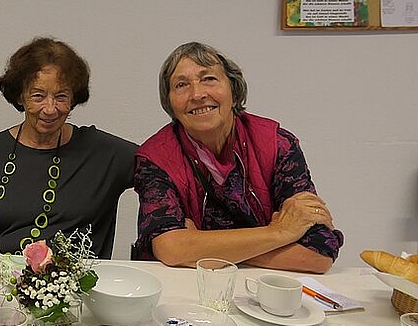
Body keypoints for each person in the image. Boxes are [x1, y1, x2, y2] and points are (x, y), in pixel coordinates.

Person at [132, 42, 343, 273]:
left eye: (209, 79)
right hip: (186, 288)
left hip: (263, 289)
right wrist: (279, 232)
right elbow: (171, 249)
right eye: (181, 85)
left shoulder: (277, 144)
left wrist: (199, 245)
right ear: (170, 103)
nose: (197, 94)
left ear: (234, 92)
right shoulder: (154, 158)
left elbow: (319, 255)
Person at [0, 37, 137, 257]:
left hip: (81, 286)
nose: (50, 109)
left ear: (74, 99)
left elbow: (164, 168)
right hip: (3, 285)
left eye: (61, 96)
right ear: (20, 96)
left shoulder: (104, 154)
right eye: (38, 96)